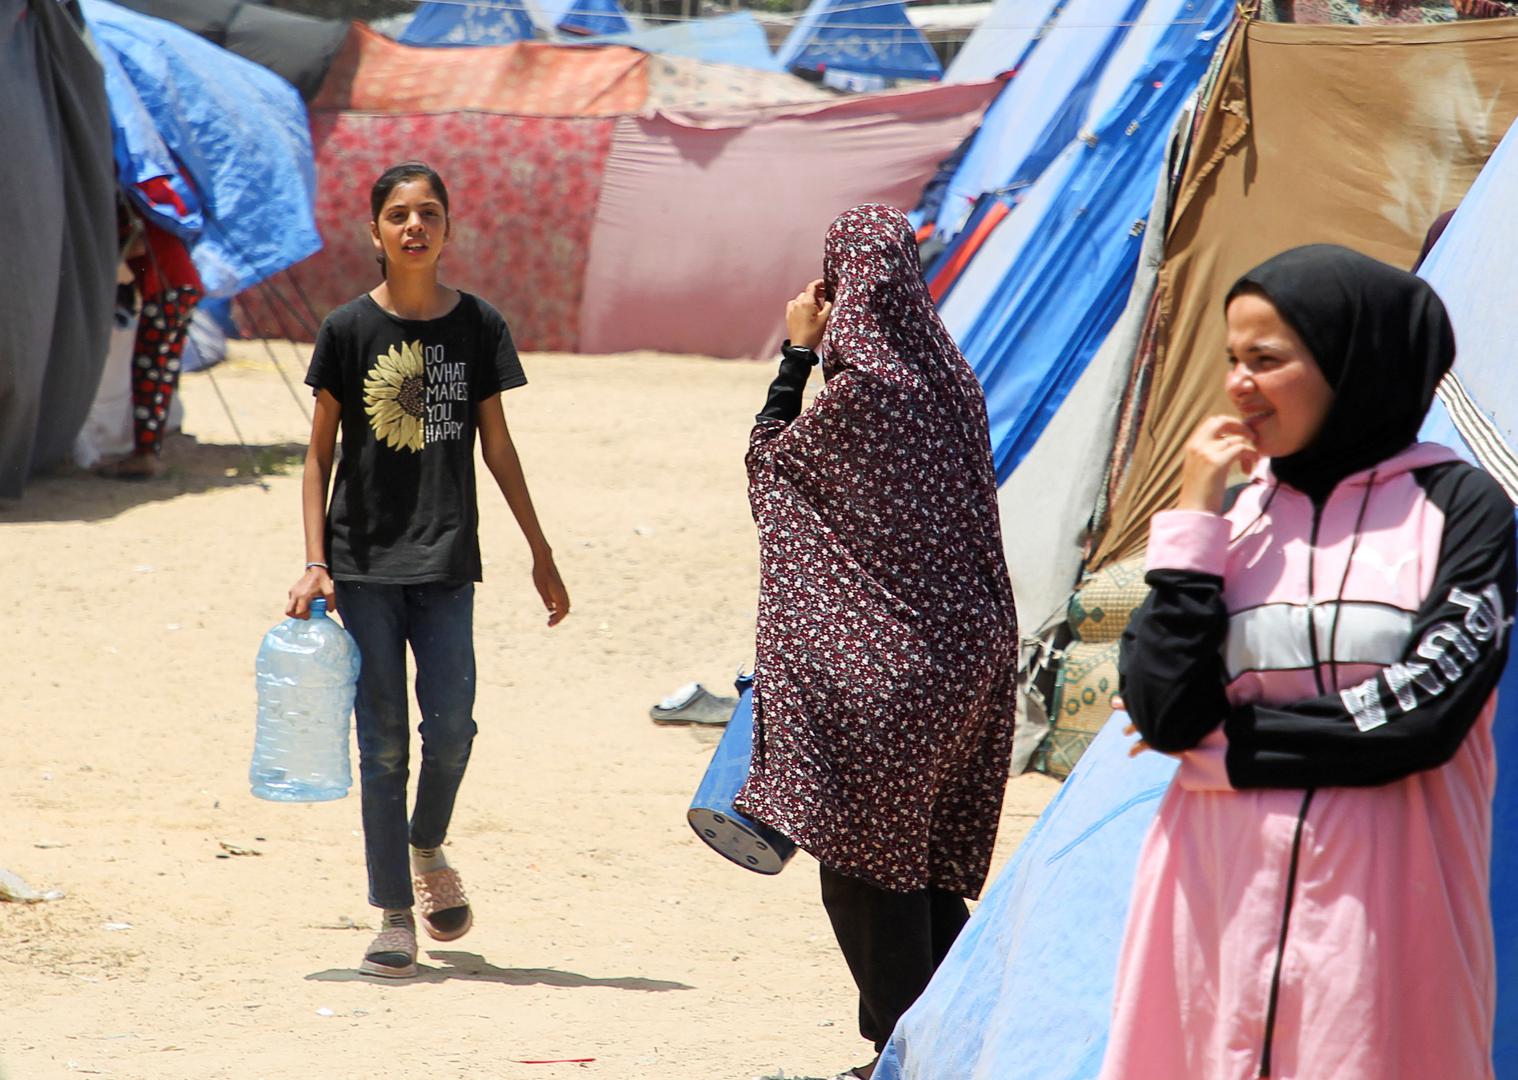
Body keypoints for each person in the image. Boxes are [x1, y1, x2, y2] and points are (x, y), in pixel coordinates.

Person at [1103, 244, 1515, 1078]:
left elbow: (1420, 720)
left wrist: (1224, 749)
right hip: (1214, 906)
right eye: (1231, 360)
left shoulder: (1462, 510)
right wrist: (1193, 522)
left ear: (1350, 364)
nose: (1237, 386)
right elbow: (1162, 709)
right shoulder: (1240, 518)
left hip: (1384, 922)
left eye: (1267, 359)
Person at [736, 204, 1019, 1079]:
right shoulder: (951, 376)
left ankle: (912, 1055)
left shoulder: (859, 392)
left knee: (864, 872)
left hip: (886, 678)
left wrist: (797, 351)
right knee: (926, 863)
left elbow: (770, 470)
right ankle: (959, 1037)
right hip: (970, 661)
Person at [285, 161, 570, 979]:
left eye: (430, 214)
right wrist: (315, 562)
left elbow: (500, 446)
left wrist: (540, 551)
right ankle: (394, 913)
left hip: (447, 561)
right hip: (364, 564)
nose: (415, 226)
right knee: (380, 747)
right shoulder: (345, 330)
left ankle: (426, 841)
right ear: (374, 233)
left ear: (449, 230)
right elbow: (317, 455)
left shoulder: (477, 326)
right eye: (399, 215)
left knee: (450, 728)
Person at [99, 182, 204, 480]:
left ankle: (145, 456)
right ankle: (151, 449)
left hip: (166, 291)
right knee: (163, 370)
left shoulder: (134, 216)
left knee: (148, 370)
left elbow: (138, 245)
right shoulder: (158, 213)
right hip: (184, 289)